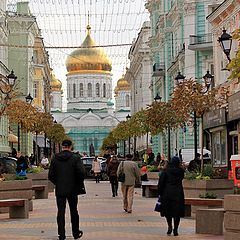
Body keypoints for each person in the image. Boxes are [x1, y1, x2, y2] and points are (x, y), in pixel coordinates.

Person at [48, 139, 85, 240]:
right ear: (70, 146)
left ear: (62, 146)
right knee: (74, 211)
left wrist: (59, 183)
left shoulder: (55, 158)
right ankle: (76, 233)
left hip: (60, 189)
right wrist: (76, 183)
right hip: (73, 189)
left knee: (60, 211)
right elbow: (81, 173)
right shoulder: (76, 158)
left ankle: (62, 234)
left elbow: (50, 175)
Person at [158, 156, 185, 236]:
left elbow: (161, 183)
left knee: (168, 211)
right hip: (178, 193)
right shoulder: (181, 171)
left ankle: (169, 226)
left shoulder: (166, 171)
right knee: (177, 212)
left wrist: (160, 192)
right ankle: (176, 229)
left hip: (167, 193)